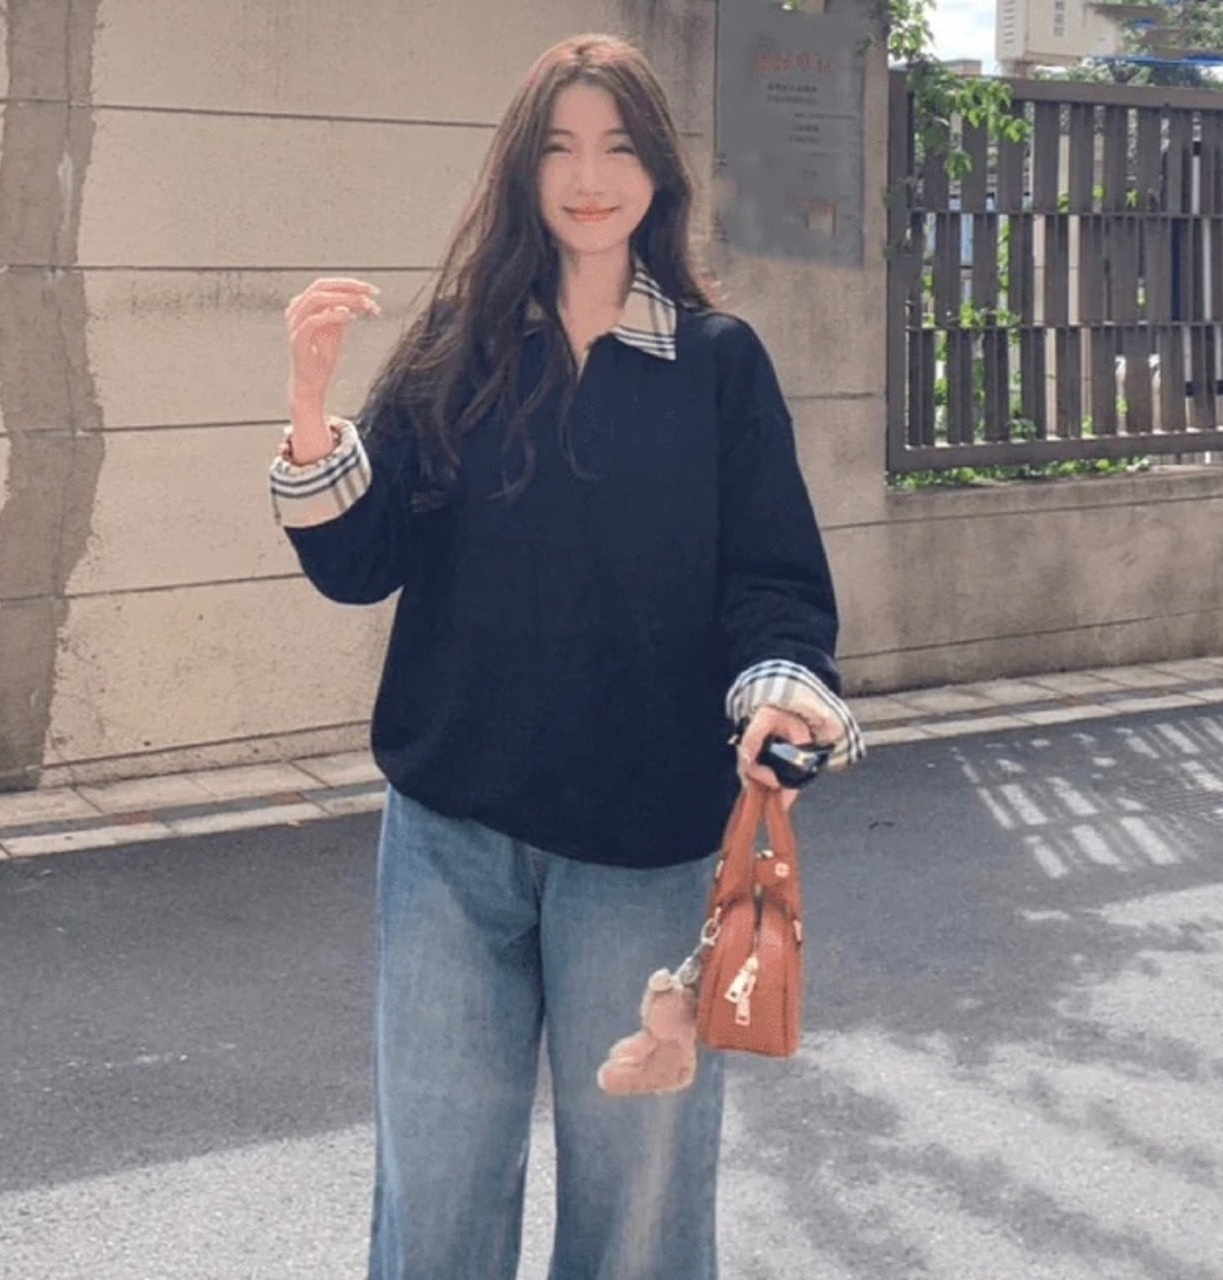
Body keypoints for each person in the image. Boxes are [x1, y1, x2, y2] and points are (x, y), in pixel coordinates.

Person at [269, 32, 863, 1280]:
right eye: (558, 149)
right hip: (447, 835)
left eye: (616, 147)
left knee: (637, 1207)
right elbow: (361, 562)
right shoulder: (457, 345)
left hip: (643, 846)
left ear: (657, 171)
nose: (588, 178)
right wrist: (312, 413)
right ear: (520, 171)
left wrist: (779, 694)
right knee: (436, 1186)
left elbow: (771, 582)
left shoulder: (716, 363)